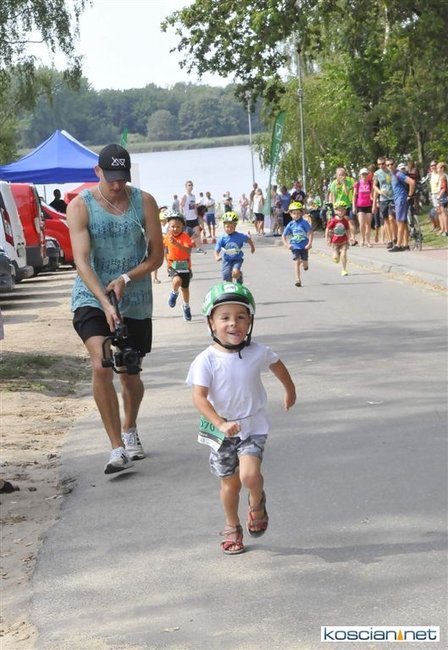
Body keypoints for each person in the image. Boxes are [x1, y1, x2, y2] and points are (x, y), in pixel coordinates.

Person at [67, 143, 163, 474]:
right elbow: (82, 261)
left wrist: (125, 278)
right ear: (98, 172)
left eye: (122, 178)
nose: (117, 185)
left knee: (130, 370)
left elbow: (156, 257)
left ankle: (130, 428)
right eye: (111, 178)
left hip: (134, 298)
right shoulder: (80, 206)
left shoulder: (144, 202)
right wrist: (105, 301)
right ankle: (116, 447)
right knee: (101, 365)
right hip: (92, 296)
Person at [186, 282, 296, 555]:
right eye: (224, 317)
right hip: (220, 430)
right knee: (230, 484)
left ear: (250, 322)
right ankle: (232, 525)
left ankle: (257, 502)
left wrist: (290, 390)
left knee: (249, 475)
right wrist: (220, 423)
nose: (233, 323)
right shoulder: (206, 360)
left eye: (241, 317)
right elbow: (199, 397)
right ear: (211, 323)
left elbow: (276, 364)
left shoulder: (257, 351)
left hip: (252, 425)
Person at [163, 211, 195, 321]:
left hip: (185, 266)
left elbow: (188, 251)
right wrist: (167, 263)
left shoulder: (185, 237)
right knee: (176, 281)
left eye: (178, 226)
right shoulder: (167, 237)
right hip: (173, 265)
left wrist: (176, 244)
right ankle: (174, 293)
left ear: (182, 226)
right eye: (172, 226)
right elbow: (165, 250)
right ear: (169, 226)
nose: (175, 229)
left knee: (185, 289)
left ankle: (186, 306)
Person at [214, 212, 255, 284]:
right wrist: (217, 256)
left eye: (232, 227)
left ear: (235, 226)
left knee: (235, 273)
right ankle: (231, 287)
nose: (229, 229)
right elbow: (217, 249)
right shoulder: (222, 238)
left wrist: (252, 247)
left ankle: (239, 275)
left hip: (237, 259)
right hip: (227, 260)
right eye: (227, 227)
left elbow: (248, 239)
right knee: (227, 276)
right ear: (224, 226)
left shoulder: (240, 236)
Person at [281, 201, 313, 287]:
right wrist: (287, 245)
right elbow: (283, 235)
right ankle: (297, 280)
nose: (296, 215)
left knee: (305, 264)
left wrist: (309, 243)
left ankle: (305, 263)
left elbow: (310, 233)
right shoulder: (290, 224)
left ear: (301, 213)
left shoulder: (304, 223)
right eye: (294, 213)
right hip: (294, 246)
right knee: (296, 262)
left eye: (298, 213)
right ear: (290, 214)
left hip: (304, 246)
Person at [388, 160, 415, 252]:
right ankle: (405, 244)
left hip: (401, 200)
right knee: (402, 222)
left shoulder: (398, 174)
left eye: (391, 164)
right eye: (388, 165)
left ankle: (398, 245)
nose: (390, 166)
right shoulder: (393, 175)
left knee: (400, 222)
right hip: (397, 200)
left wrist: (410, 195)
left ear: (395, 164)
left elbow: (412, 182)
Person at [328, 167, 357, 245]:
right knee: (337, 222)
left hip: (346, 204)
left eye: (343, 174)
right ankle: (334, 238)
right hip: (338, 206)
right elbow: (333, 195)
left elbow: (347, 194)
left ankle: (352, 238)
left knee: (350, 221)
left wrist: (344, 183)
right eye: (340, 175)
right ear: (337, 175)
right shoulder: (334, 183)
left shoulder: (348, 182)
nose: (342, 176)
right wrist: (334, 206)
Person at [373, 156, 396, 249]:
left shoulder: (391, 171)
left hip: (392, 197)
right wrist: (379, 192)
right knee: (386, 220)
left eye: (383, 164)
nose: (381, 166)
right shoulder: (377, 173)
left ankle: (395, 238)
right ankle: (390, 240)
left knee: (392, 218)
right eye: (379, 164)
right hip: (383, 199)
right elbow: (374, 186)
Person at [180, 180, 205, 254]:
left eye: (191, 185)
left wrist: (196, 215)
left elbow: (194, 207)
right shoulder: (185, 196)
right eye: (189, 185)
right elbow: (181, 206)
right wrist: (182, 216)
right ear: (186, 187)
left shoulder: (193, 196)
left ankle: (198, 249)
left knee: (197, 233)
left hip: (194, 218)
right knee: (187, 235)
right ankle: (183, 247)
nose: (190, 186)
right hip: (187, 219)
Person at [325, 201, 350, 276]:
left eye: (343, 210)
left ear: (345, 211)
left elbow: (347, 230)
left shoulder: (345, 221)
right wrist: (327, 238)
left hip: (344, 241)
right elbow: (327, 229)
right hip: (335, 241)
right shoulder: (333, 220)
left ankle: (344, 269)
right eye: (339, 210)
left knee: (344, 254)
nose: (341, 212)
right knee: (335, 257)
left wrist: (349, 238)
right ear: (335, 211)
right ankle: (337, 255)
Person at [353, 167, 373, 247]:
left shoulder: (370, 183)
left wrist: (375, 203)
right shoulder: (357, 184)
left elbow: (372, 194)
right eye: (363, 174)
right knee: (362, 224)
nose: (364, 176)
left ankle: (368, 241)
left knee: (368, 224)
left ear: (368, 175)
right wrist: (353, 206)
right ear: (360, 175)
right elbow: (354, 196)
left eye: (365, 174)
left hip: (368, 205)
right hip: (360, 205)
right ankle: (362, 239)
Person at [152, 207, 169, 284]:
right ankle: (155, 278)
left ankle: (172, 273)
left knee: (168, 259)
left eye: (164, 220)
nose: (162, 221)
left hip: (167, 245)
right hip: (159, 245)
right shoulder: (157, 225)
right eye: (161, 220)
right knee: (156, 262)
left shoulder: (168, 225)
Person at [436, 161, 448, 236]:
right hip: (441, 196)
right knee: (441, 213)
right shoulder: (441, 176)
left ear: (442, 168)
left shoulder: (443, 176)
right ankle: (443, 229)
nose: (437, 170)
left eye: (438, 168)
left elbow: (444, 188)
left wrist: (438, 196)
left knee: (444, 214)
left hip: (443, 196)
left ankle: (446, 231)